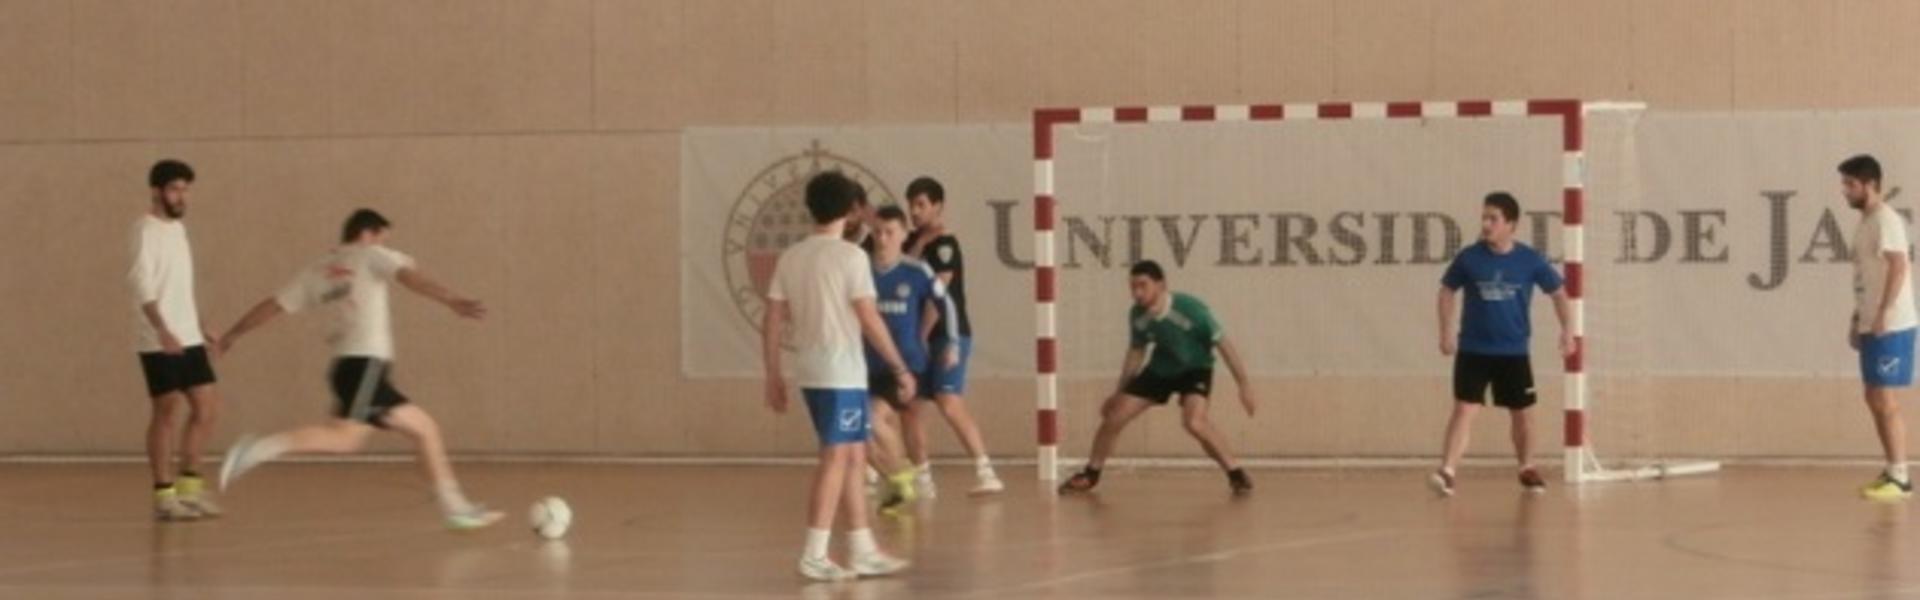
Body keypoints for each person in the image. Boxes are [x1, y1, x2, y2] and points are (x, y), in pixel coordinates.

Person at [214, 209, 504, 530]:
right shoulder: (370, 254)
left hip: (349, 369)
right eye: (383, 238)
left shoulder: (319, 269)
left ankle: (455, 508)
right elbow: (410, 276)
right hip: (365, 365)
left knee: (423, 429)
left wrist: (233, 334)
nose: (384, 245)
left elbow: (272, 306)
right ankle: (255, 450)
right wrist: (451, 299)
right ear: (368, 233)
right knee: (344, 439)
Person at [763, 171, 915, 580]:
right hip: (839, 372)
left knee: (853, 454)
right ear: (851, 212)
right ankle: (814, 552)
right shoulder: (851, 258)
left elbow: (773, 319)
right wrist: (900, 366)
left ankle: (862, 547)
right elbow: (868, 316)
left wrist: (773, 373)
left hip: (814, 372)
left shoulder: (792, 257)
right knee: (836, 457)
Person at [1057, 260, 1257, 495]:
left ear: (1161, 285)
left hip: (1196, 368)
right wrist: (1119, 392)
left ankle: (1235, 473)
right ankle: (1091, 474)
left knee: (1194, 422)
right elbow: (1136, 353)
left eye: (1143, 285)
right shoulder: (1137, 315)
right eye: (1132, 287)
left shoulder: (1192, 310)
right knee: (1114, 416)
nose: (1137, 292)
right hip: (1161, 369)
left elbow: (1225, 346)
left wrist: (1243, 385)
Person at [1428, 192, 1574, 497]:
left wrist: (1567, 331)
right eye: (1484, 217)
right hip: (1473, 350)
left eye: (1493, 218)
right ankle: (1448, 471)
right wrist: (1446, 331)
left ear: (1511, 224)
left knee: (1522, 412)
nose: (1486, 224)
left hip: (1513, 352)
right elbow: (1446, 291)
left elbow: (1559, 293)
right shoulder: (1469, 258)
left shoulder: (1530, 260)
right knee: (1464, 409)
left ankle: (1527, 467)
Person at [128, 159, 224, 521]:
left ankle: (190, 490)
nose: (181, 196)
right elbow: (142, 285)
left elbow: (180, 286)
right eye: (174, 189)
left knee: (207, 407)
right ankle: (163, 495)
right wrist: (162, 329)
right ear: (156, 191)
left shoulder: (178, 231)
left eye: (185, 189)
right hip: (157, 337)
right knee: (167, 411)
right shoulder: (144, 229)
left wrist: (200, 323)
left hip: (188, 334)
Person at [900, 176, 1002, 496]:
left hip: (947, 335)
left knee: (948, 399)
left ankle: (986, 471)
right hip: (920, 338)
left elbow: (937, 292)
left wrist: (920, 335)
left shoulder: (945, 245)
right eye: (911, 205)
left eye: (921, 205)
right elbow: (903, 268)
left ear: (938, 206)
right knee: (912, 406)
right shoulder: (912, 242)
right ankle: (922, 478)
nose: (915, 212)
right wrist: (918, 240)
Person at [1838, 155, 1917, 502]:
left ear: (1870, 185)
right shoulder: (1866, 222)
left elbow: (1900, 265)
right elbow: (1865, 277)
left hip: (1892, 324)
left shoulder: (1886, 220)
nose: (1845, 191)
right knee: (1872, 395)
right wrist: (1858, 319)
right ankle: (1891, 469)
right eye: (1844, 184)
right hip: (1872, 322)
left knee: (1885, 397)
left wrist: (1884, 313)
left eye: (1850, 184)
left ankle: (1901, 478)